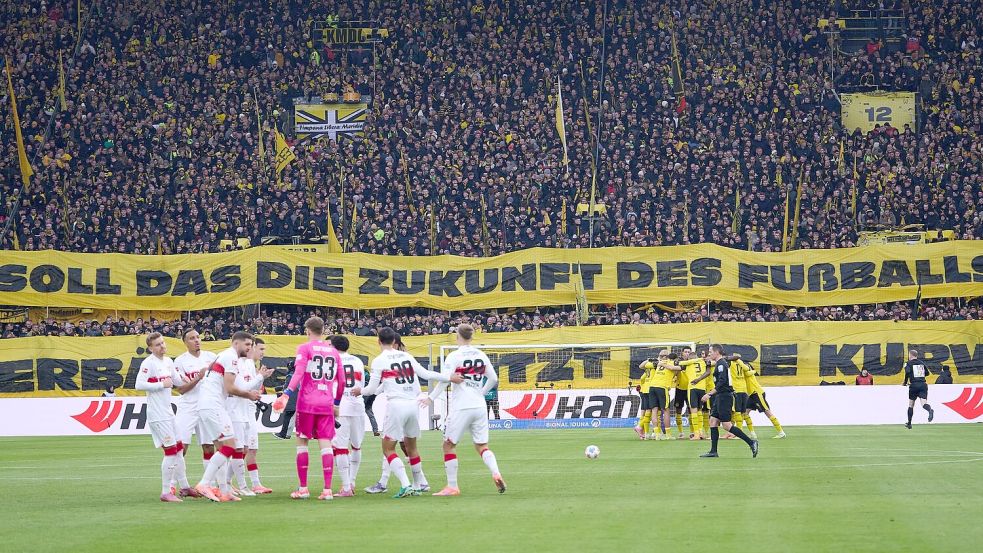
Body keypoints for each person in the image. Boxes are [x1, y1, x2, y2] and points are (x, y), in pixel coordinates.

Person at [354, 327, 462, 498]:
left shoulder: (379, 360)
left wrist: (360, 390)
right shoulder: (407, 356)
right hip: (413, 405)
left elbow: (372, 388)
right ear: (394, 341)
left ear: (378, 341)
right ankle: (418, 484)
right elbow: (426, 374)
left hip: (396, 405)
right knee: (411, 447)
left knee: (388, 449)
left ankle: (405, 485)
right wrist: (449, 377)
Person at [422, 324, 506, 496]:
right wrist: (481, 393)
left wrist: (430, 398)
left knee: (448, 445)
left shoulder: (454, 356)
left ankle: (452, 486)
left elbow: (445, 380)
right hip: (479, 406)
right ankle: (496, 472)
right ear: (472, 337)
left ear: (457, 336)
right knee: (482, 445)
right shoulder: (481, 355)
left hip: (462, 406)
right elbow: (493, 379)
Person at [272, 317, 345, 500]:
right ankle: (327, 490)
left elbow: (298, 373)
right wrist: (336, 403)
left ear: (307, 330)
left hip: (307, 402)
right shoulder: (334, 352)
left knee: (302, 442)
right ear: (323, 330)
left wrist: (286, 393)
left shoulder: (305, 348)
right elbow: (342, 381)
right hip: (326, 403)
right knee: (325, 443)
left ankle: (303, 488)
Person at [193, 331, 260, 502]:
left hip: (208, 405)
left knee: (222, 448)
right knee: (230, 446)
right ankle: (204, 484)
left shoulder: (223, 356)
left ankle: (224, 491)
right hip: (214, 406)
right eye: (247, 344)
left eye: (251, 345)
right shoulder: (231, 357)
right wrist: (249, 395)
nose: (249, 348)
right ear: (236, 343)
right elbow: (230, 388)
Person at [135, 332, 200, 502]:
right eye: (157, 344)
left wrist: (187, 378)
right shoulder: (148, 363)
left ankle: (184, 487)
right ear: (150, 348)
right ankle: (165, 492)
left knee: (178, 448)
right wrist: (161, 384)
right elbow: (138, 384)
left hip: (168, 412)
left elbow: (177, 381)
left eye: (162, 343)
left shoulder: (168, 362)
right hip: (157, 414)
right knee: (171, 451)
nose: (162, 346)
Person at [693, 345, 758, 458]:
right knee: (713, 421)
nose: (709, 354)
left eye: (711, 352)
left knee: (727, 425)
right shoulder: (719, 363)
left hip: (724, 397)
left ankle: (751, 442)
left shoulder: (721, 364)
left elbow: (722, 382)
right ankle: (713, 451)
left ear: (717, 352)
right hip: (720, 396)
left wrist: (709, 394)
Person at [329, 335, 367, 497]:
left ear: (333, 347)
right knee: (356, 446)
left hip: (340, 407)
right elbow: (362, 384)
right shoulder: (357, 361)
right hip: (357, 405)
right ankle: (352, 481)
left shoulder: (331, 361)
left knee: (340, 448)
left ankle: (346, 487)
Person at [173, 329, 215, 474]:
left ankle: (209, 482)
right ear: (185, 342)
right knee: (181, 447)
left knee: (209, 447)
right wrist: (198, 377)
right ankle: (173, 482)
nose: (196, 340)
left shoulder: (211, 357)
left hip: (207, 407)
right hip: (188, 407)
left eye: (198, 337)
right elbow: (181, 389)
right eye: (192, 338)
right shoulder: (180, 361)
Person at [242, 337, 274, 494]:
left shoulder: (253, 366)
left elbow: (254, 390)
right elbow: (244, 388)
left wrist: (262, 377)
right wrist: (260, 377)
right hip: (241, 411)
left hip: (250, 410)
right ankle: (228, 483)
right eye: (261, 349)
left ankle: (255, 483)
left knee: (251, 449)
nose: (263, 352)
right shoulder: (245, 364)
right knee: (242, 449)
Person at [741, 361, 786, 439]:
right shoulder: (746, 372)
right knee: (745, 413)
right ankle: (752, 433)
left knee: (767, 412)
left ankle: (781, 432)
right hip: (751, 394)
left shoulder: (747, 372)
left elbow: (748, 373)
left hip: (757, 393)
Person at [902, 349, 935, 429]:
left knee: (911, 405)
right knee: (924, 404)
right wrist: (919, 375)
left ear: (910, 355)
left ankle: (909, 423)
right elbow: (927, 373)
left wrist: (905, 382)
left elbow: (907, 372)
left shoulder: (908, 363)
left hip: (914, 385)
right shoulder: (921, 363)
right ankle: (930, 410)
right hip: (923, 384)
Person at [680, 347, 707, 440]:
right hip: (702, 388)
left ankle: (696, 434)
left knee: (694, 411)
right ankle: (701, 432)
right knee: (700, 410)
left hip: (693, 388)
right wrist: (700, 359)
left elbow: (679, 363)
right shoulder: (702, 362)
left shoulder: (687, 364)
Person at [272, 366, 297, 440]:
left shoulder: (290, 376)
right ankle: (288, 434)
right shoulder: (298, 375)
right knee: (293, 418)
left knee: (287, 417)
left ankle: (283, 434)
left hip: (291, 399)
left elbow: (287, 387)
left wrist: (280, 394)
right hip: (298, 399)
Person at [633, 358, 655, 439]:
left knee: (644, 411)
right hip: (649, 390)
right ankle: (641, 427)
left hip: (644, 390)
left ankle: (643, 432)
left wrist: (647, 360)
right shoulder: (654, 367)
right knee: (651, 411)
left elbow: (642, 377)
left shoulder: (647, 369)